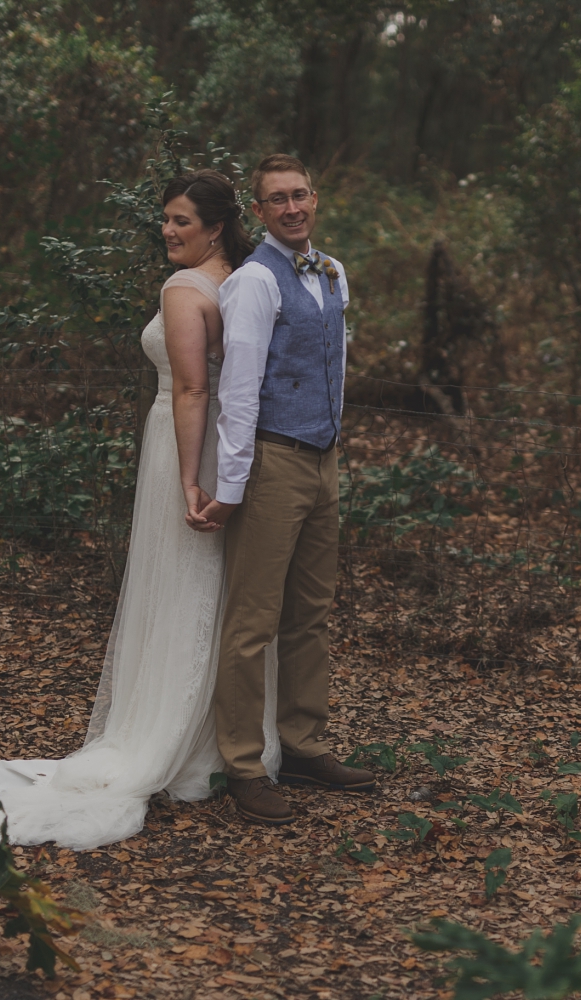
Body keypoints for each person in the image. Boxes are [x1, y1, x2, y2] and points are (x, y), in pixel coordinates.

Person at [0, 170, 283, 850]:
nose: (167, 231)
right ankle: (223, 741)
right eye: (164, 220)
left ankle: (166, 734)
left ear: (215, 226)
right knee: (223, 589)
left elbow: (193, 388)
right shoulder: (250, 281)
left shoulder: (184, 288)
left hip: (185, 446)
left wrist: (191, 480)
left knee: (181, 586)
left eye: (180, 221)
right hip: (235, 443)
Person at [196, 154, 375, 825]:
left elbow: (332, 362)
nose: (293, 208)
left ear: (315, 197)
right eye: (278, 199)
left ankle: (303, 744)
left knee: (311, 611)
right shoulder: (253, 283)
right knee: (252, 621)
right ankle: (243, 764)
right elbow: (238, 391)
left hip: (321, 459)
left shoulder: (331, 272)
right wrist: (234, 485)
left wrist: (334, 437)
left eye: (301, 194)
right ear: (261, 210)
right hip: (271, 462)